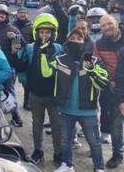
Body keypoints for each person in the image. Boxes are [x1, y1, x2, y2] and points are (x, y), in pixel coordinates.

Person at [52, 29, 108, 172]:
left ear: (85, 41)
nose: (75, 40)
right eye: (72, 38)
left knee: (94, 142)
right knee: (65, 140)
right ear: (67, 40)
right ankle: (67, 165)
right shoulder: (59, 59)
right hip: (65, 109)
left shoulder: (94, 61)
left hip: (88, 110)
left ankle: (99, 167)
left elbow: (102, 83)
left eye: (79, 38)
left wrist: (91, 71)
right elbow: (46, 74)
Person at [12, 13, 63, 165]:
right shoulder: (29, 48)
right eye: (41, 32)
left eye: (48, 32)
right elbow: (21, 66)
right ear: (36, 32)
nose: (44, 35)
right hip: (36, 94)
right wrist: (15, 54)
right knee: (37, 124)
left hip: (54, 95)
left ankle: (58, 152)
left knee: (57, 125)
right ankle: (38, 150)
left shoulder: (58, 48)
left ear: (53, 33)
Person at [93, 14, 124, 168]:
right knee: (115, 124)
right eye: (103, 25)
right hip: (110, 87)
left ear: (116, 23)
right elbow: (98, 64)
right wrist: (108, 81)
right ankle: (118, 154)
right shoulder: (99, 44)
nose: (106, 27)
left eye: (109, 23)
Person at [0, 4, 24, 127]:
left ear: (6, 16)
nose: (0, 16)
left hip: (8, 66)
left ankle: (16, 117)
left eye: (3, 14)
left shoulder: (13, 29)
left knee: (10, 92)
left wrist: (16, 38)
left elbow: (20, 47)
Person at [12, 6, 33, 110]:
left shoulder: (32, 26)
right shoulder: (12, 25)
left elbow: (34, 41)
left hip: (25, 56)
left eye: (24, 13)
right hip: (13, 55)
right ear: (17, 14)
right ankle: (10, 104)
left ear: (27, 14)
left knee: (27, 81)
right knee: (10, 81)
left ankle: (27, 102)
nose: (22, 14)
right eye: (20, 13)